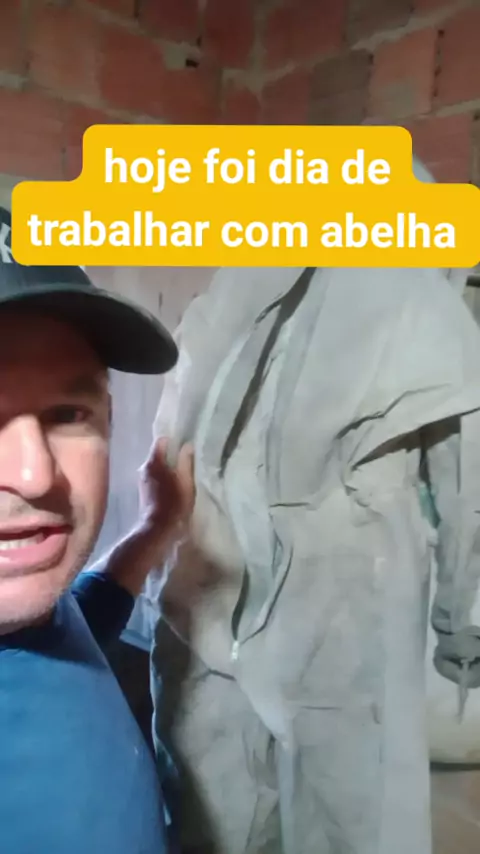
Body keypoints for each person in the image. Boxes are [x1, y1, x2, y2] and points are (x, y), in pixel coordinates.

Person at [146, 165, 480, 853]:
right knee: (350, 810)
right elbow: (467, 485)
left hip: (219, 580)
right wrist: (458, 627)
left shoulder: (229, 287)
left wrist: (155, 571)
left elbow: (166, 449)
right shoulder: (423, 302)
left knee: (219, 799)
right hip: (341, 591)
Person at [0, 206, 195, 854]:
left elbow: (70, 623)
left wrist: (156, 528)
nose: (35, 475)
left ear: (108, 418)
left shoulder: (34, 615)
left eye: (67, 414)